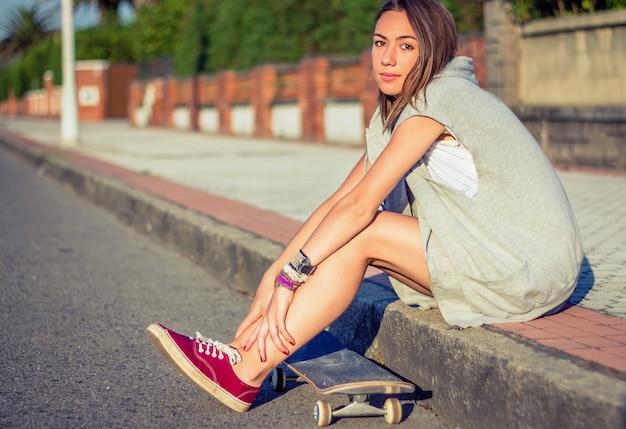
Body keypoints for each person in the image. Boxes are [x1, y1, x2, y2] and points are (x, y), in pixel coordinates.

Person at [147, 0, 583, 413]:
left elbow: (360, 209)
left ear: (431, 51)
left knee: (364, 232)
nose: (387, 58)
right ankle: (242, 356)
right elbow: (340, 200)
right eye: (380, 43)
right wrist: (274, 272)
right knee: (344, 231)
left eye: (406, 46)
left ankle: (244, 371)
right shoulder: (402, 110)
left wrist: (290, 280)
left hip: (528, 268)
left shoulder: (439, 101)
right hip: (489, 255)